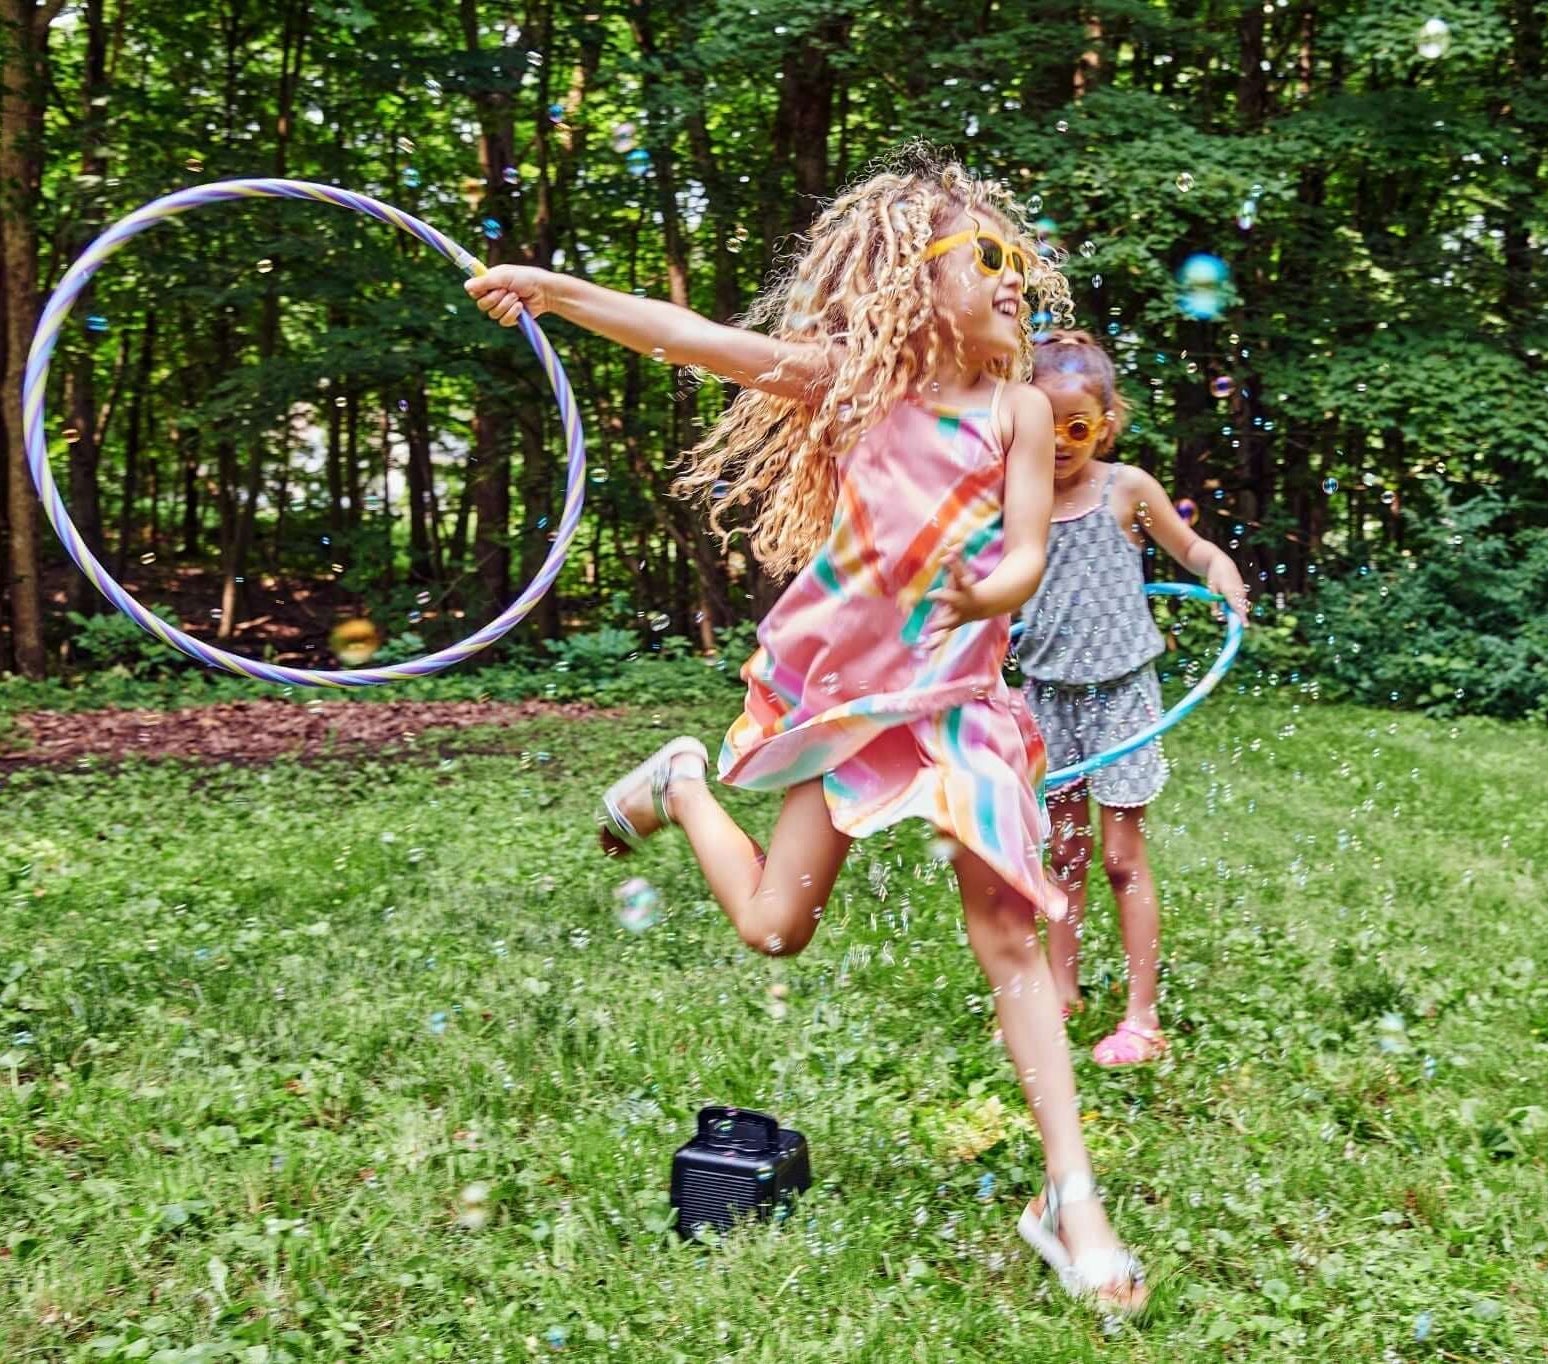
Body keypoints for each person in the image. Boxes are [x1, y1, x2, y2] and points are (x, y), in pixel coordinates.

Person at [465, 151, 1146, 1308]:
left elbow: (1026, 549)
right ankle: (683, 778)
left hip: (964, 704)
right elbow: (689, 336)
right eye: (985, 257)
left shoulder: (1024, 410)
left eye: (1017, 262)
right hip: (849, 704)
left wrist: (989, 590)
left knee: (1011, 936)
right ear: (904, 280)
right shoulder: (851, 388)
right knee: (776, 929)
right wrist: (558, 290)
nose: (1013, 277)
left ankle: (1069, 1197)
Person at [1018, 329, 1248, 1067]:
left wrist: (1221, 573)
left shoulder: (1127, 489)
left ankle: (1142, 1016)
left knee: (1120, 856)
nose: (1060, 443)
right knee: (1062, 852)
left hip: (1121, 698)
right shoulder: (1014, 499)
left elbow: (1193, 550)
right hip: (1046, 699)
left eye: (1077, 427)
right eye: (1044, 425)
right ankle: (1061, 990)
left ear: (1107, 423)